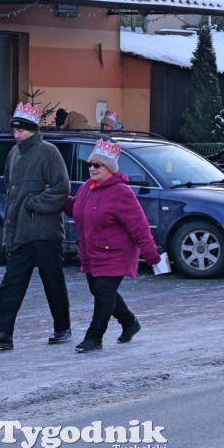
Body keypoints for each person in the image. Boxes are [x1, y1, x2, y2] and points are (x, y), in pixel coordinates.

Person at [63, 140, 161, 352]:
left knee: (103, 292)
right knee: (97, 290)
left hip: (116, 254)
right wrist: (57, 198)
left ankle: (94, 337)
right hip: (91, 252)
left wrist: (152, 255)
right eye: (90, 164)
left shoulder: (121, 193)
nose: (91, 168)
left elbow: (140, 227)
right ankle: (129, 322)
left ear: (109, 168)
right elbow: (74, 208)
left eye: (97, 165)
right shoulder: (87, 187)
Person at [0, 104, 71, 351]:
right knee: (11, 283)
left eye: (21, 131)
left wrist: (34, 204)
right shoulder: (13, 153)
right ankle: (3, 333)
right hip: (21, 233)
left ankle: (62, 328)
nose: (17, 135)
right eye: (14, 131)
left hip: (46, 233)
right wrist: (10, 229)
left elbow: (61, 188)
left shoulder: (49, 152)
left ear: (33, 129)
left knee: (53, 282)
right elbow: (11, 191)